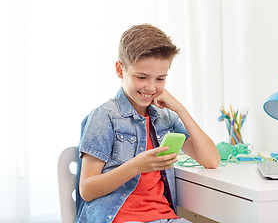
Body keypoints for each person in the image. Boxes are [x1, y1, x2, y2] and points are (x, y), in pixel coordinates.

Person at [75, 24, 221, 223]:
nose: (151, 87)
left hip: (164, 217)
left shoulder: (164, 118)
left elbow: (211, 160)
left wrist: (179, 109)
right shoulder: (104, 117)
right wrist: (136, 166)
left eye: (160, 78)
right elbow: (87, 189)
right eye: (141, 77)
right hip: (117, 218)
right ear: (120, 70)